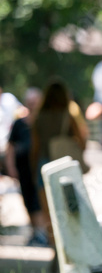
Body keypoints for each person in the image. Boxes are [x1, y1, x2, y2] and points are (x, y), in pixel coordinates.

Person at [30, 79, 89, 255]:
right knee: (70, 208)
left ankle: (56, 249)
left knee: (49, 213)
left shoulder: (39, 118)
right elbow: (83, 143)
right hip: (65, 166)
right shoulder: (68, 115)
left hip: (44, 165)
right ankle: (71, 248)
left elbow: (35, 148)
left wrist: (33, 170)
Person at [5, 87, 46, 246]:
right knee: (28, 199)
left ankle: (43, 233)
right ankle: (37, 233)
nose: (32, 105)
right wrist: (11, 167)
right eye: (30, 102)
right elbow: (10, 147)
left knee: (40, 199)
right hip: (24, 169)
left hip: (40, 168)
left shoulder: (43, 122)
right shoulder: (19, 124)